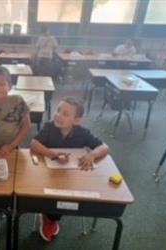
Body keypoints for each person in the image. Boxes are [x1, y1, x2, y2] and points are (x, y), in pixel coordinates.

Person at [30, 97, 109, 242]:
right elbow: (34, 143)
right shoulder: (49, 127)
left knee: (74, 195)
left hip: (73, 176)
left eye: (65, 114)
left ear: (76, 120)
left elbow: (104, 147)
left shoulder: (83, 133)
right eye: (58, 110)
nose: (58, 115)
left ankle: (54, 213)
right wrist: (52, 154)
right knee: (53, 195)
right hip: (49, 174)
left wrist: (92, 154)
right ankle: (50, 217)